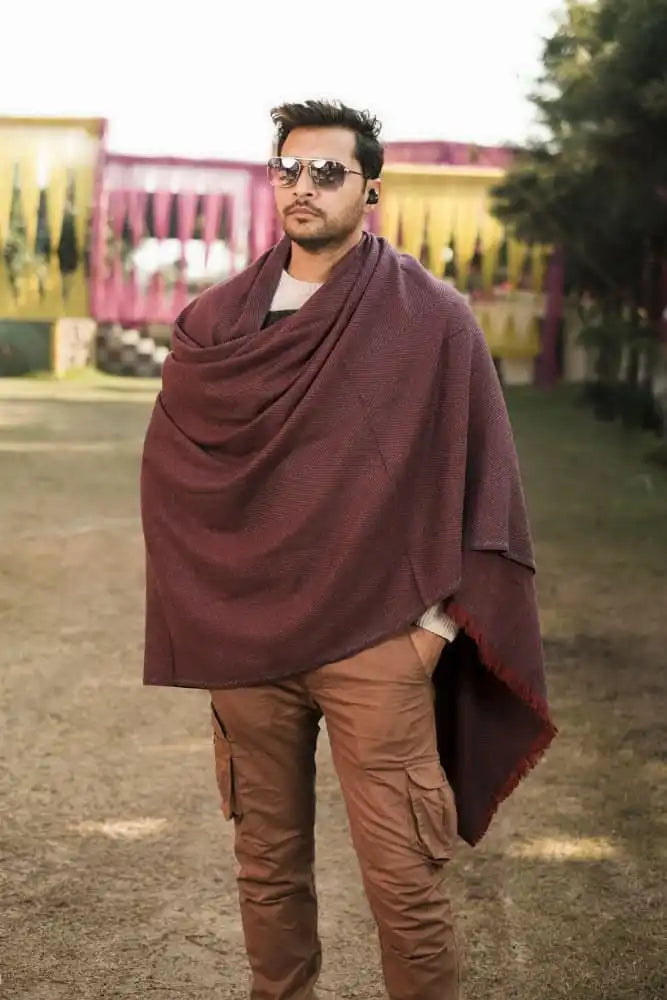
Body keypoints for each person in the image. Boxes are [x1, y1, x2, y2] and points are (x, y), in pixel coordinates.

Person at [140, 100, 556, 1000]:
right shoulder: (218, 324)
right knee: (267, 872)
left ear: (371, 188)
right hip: (248, 650)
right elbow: (175, 479)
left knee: (405, 885)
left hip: (377, 644)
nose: (303, 187)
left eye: (327, 172)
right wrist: (212, 614)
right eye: (287, 169)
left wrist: (434, 632)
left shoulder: (430, 320)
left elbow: (486, 482)